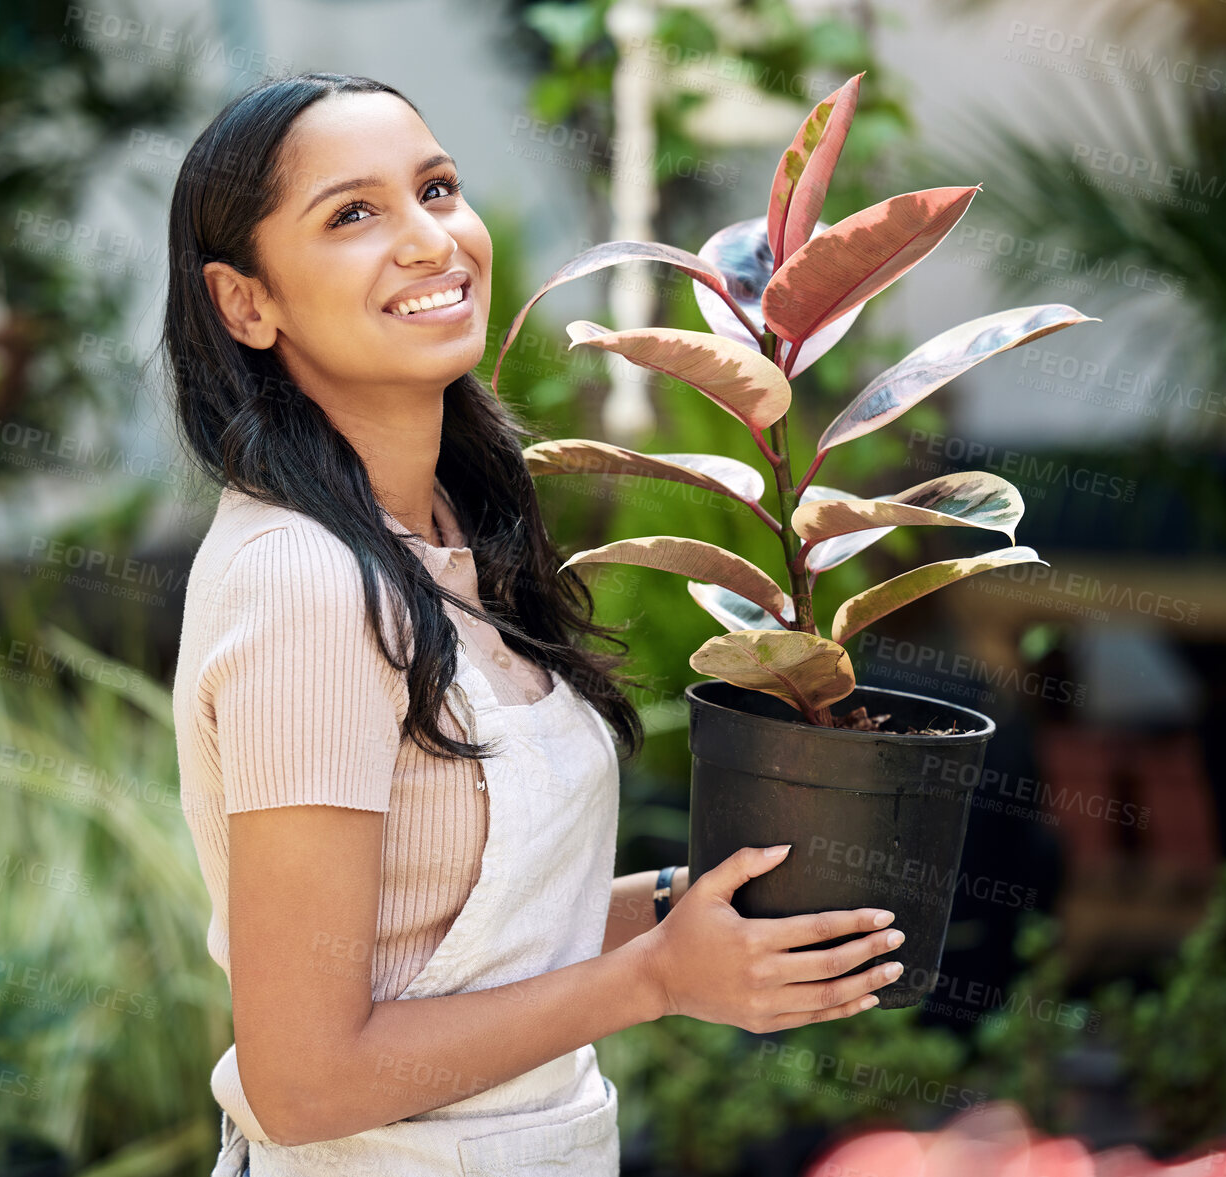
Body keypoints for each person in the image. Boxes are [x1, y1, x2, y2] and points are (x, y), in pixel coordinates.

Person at [162, 71, 906, 1177]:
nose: (431, 240)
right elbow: (302, 1077)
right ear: (244, 302)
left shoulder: (444, 536)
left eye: (438, 187)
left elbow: (451, 942)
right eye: (354, 214)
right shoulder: (307, 587)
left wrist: (690, 907)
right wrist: (657, 977)